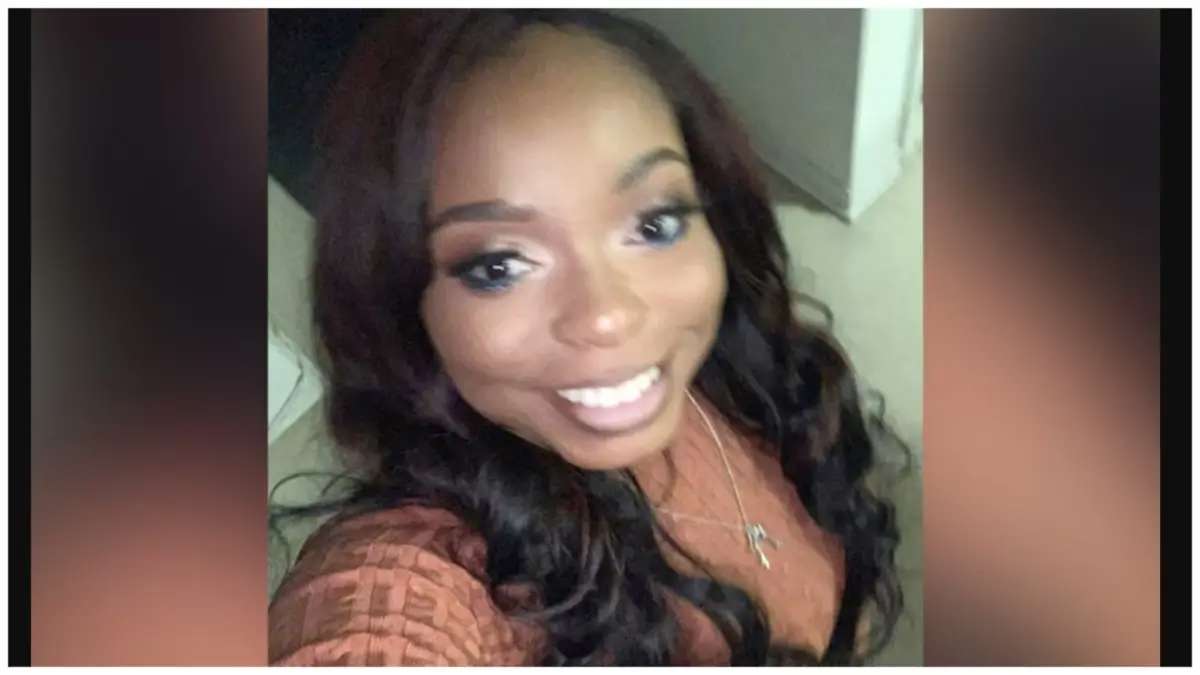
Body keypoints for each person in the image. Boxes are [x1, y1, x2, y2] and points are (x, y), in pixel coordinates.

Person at [268, 9, 903, 666]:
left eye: (655, 225)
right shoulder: (421, 577)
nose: (607, 316)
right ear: (402, 303)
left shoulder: (748, 364)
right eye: (499, 266)